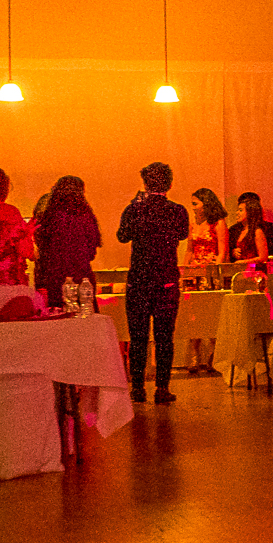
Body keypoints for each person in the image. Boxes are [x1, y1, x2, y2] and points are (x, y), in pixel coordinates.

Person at [117, 162, 193, 404]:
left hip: (139, 280)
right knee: (164, 337)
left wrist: (135, 206)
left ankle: (138, 387)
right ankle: (162, 387)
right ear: (169, 184)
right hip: (166, 279)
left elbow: (122, 236)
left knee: (138, 337)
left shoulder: (134, 209)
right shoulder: (177, 210)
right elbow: (182, 234)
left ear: (145, 183)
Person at [35, 176, 100, 309]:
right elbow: (92, 251)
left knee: (58, 316)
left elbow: (42, 247)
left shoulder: (50, 217)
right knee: (86, 315)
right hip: (82, 275)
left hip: (55, 277)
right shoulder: (86, 216)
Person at [227, 192, 273, 263]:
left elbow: (264, 257)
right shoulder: (234, 230)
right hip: (241, 267)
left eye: (241, 210)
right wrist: (233, 252)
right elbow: (228, 251)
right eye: (238, 209)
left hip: (257, 267)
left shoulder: (265, 229)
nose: (237, 213)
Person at [187, 188, 227, 273]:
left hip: (212, 268)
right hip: (195, 269)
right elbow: (189, 251)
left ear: (206, 204)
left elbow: (222, 252)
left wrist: (216, 272)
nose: (193, 208)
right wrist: (184, 273)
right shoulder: (193, 224)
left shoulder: (218, 223)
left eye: (195, 204)